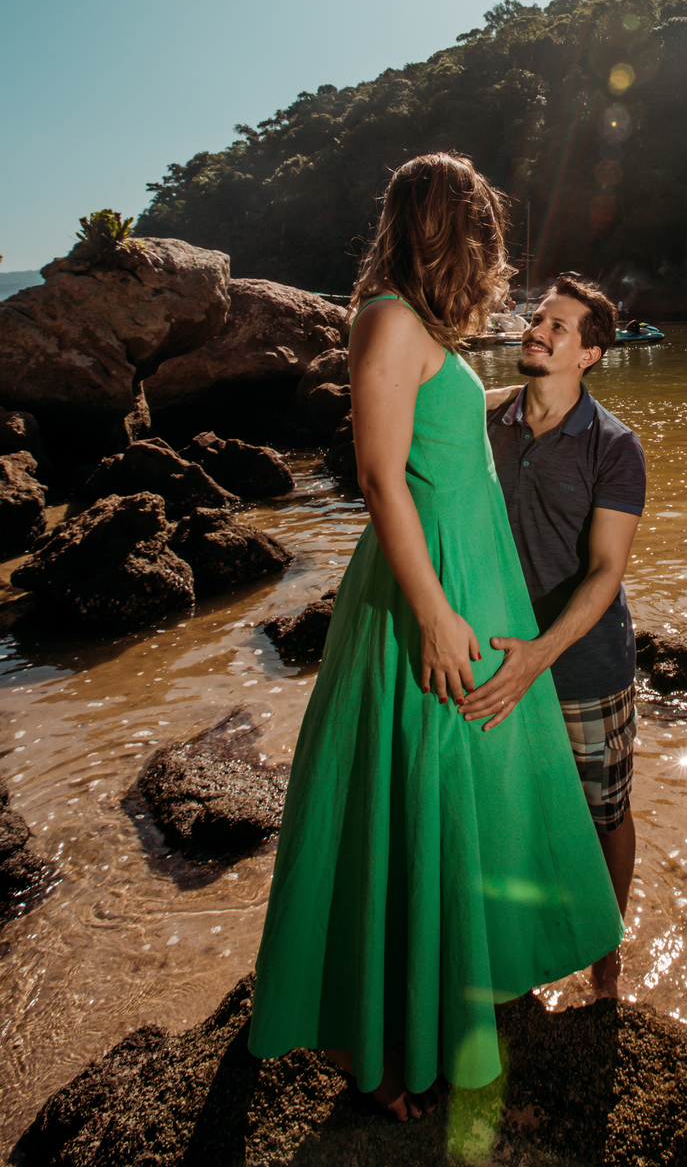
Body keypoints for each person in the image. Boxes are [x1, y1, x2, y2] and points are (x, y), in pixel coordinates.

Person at [248, 157, 622, 1120]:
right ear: (449, 228)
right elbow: (379, 477)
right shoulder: (386, 317)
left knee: (458, 806)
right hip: (428, 596)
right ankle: (375, 1045)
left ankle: (447, 1001)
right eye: (483, 229)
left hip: (464, 582)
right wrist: (435, 613)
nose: (494, 250)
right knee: (409, 802)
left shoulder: (421, 326)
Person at [462, 273, 645, 1000]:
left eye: (557, 326)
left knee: (603, 814)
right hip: (496, 658)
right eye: (537, 318)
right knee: (509, 815)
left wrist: (541, 655)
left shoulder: (614, 446)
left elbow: (605, 572)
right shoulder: (486, 420)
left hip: (584, 667)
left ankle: (605, 954)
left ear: (590, 354)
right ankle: (522, 954)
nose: (535, 330)